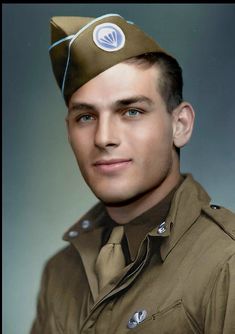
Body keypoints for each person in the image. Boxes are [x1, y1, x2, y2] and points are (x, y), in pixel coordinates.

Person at [30, 13, 235, 334]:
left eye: (132, 111)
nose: (103, 137)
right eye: (86, 117)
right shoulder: (60, 272)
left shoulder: (227, 262)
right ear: (68, 131)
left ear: (179, 125)